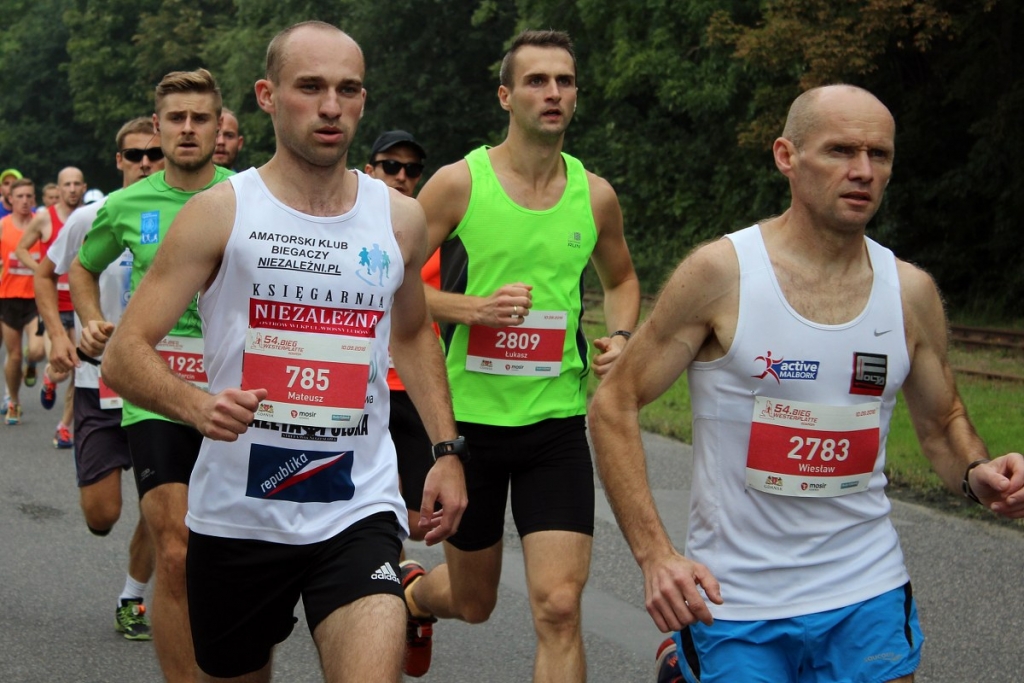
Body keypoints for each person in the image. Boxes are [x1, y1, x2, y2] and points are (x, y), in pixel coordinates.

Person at [588, 84, 1024, 683]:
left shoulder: (910, 291)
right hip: (734, 600)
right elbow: (614, 403)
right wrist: (655, 556)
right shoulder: (721, 274)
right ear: (786, 156)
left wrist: (980, 474)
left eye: (879, 155)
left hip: (866, 588)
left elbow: (943, 423)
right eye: (841, 150)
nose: (863, 171)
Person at [101, 22, 467, 683]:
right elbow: (125, 353)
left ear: (362, 100)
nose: (331, 106)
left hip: (355, 504)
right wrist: (196, 404)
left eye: (347, 90)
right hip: (239, 514)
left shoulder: (398, 218)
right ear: (267, 96)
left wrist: (446, 449)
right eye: (310, 87)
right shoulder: (218, 212)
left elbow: (412, 332)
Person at [404, 28, 640, 681]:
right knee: (473, 601)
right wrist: (470, 309)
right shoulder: (458, 184)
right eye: (537, 80)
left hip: (554, 426)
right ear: (506, 96)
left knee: (559, 607)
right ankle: (414, 598)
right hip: (469, 428)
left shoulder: (594, 195)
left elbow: (622, 279)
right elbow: (391, 283)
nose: (553, 92)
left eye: (565, 81)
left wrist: (622, 337)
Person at [70, 68, 231, 683]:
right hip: (155, 393)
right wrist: (90, 319)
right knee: (177, 550)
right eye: (176, 118)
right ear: (158, 127)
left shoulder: (250, 197)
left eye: (200, 118)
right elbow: (83, 268)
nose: (187, 129)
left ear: (219, 128)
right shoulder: (125, 206)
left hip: (235, 392)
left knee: (234, 555)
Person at [37, 116, 163, 642]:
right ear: (118, 161)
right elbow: (47, 275)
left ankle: (132, 596)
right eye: (134, 155)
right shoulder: (92, 217)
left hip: (162, 386)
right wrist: (58, 334)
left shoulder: (190, 215)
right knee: (101, 515)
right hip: (98, 385)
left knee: (164, 505)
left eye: (153, 155)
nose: (145, 164)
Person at [363, 129, 438, 552]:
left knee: (419, 520)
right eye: (391, 166)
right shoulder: (348, 229)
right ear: (369, 170)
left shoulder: (427, 236)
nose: (401, 176)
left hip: (409, 387)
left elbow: (438, 303)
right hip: (360, 385)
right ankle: (386, 572)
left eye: (412, 169)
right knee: (371, 499)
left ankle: (396, 570)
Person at [16, 166, 87, 447]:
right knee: (61, 370)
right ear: (58, 189)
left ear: (84, 187)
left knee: (80, 368)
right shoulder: (45, 218)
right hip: (53, 307)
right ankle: (48, 376)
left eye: (77, 184)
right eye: (66, 184)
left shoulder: (91, 217)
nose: (72, 189)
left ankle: (63, 426)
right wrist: (42, 272)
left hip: (80, 305)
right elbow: (21, 248)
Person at [0, 178, 46, 424]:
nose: (25, 201)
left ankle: (33, 362)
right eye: (20, 196)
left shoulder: (41, 225)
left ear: (34, 199)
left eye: (29, 196)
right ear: (10, 200)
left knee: (37, 350)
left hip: (36, 299)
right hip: (8, 298)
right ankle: (14, 402)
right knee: (14, 355)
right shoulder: (3, 226)